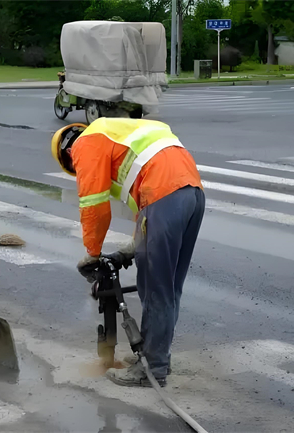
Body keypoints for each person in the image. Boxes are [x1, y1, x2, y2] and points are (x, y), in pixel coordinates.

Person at [50, 118, 205, 387]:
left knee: (155, 290)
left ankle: (152, 370)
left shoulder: (84, 145)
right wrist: (130, 250)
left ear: (68, 157)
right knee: (168, 289)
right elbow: (146, 215)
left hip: (163, 196)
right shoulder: (117, 135)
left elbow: (93, 205)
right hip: (192, 194)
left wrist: (93, 253)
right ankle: (155, 357)